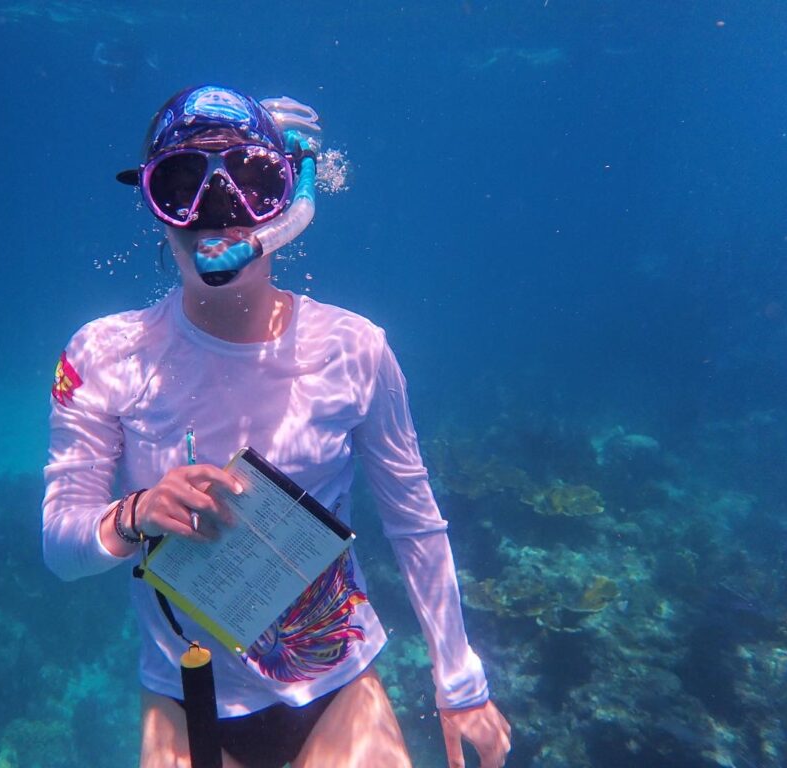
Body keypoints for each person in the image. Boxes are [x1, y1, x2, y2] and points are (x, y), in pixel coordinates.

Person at [42, 85, 511, 768]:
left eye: (253, 184)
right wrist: (137, 514)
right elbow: (60, 547)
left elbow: (415, 522)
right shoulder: (102, 357)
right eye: (181, 185)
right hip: (187, 701)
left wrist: (461, 683)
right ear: (156, 208)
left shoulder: (355, 348)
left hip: (338, 682)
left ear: (287, 205)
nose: (217, 213)